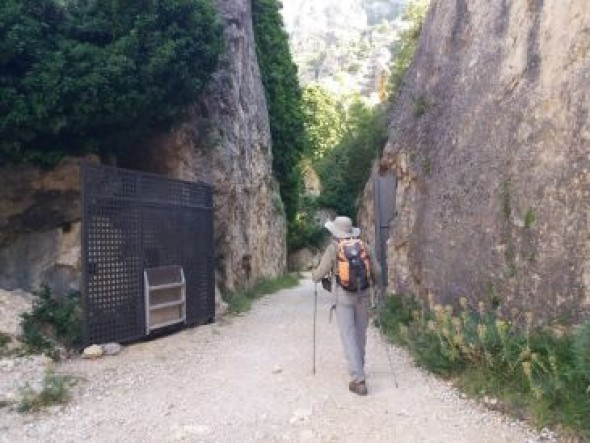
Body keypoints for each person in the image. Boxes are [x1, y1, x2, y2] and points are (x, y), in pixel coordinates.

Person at [311, 216, 381, 396]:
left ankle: (358, 379)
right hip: (363, 294)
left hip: (343, 296)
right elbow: (378, 272)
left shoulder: (333, 249)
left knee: (348, 334)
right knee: (360, 333)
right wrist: (375, 285)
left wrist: (314, 274)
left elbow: (318, 275)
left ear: (335, 232)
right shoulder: (364, 246)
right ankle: (360, 366)